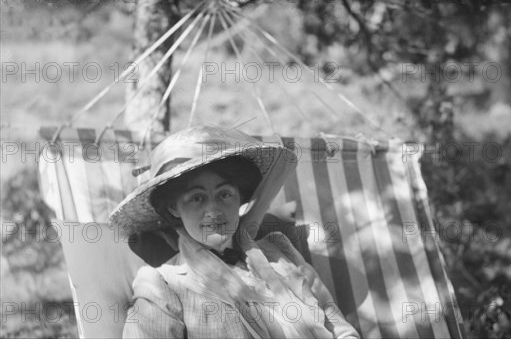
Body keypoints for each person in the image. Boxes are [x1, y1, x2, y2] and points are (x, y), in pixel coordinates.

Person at [110, 125, 360, 338]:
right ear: (174, 208)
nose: (214, 210)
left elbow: (339, 327)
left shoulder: (280, 251)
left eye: (224, 194)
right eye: (196, 198)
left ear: (239, 197)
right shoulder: (163, 282)